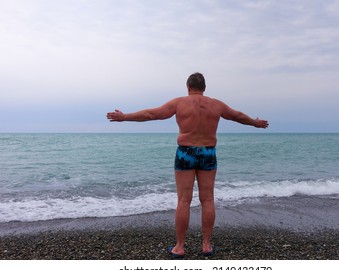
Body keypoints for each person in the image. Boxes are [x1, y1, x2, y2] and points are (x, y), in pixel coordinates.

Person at [106, 72, 269, 257]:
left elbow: (152, 114)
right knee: (207, 199)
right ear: (204, 88)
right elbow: (237, 116)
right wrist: (255, 123)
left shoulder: (179, 103)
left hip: (185, 152)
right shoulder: (216, 104)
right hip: (208, 152)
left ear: (188, 87)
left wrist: (124, 117)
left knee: (184, 200)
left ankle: (180, 247)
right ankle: (206, 245)